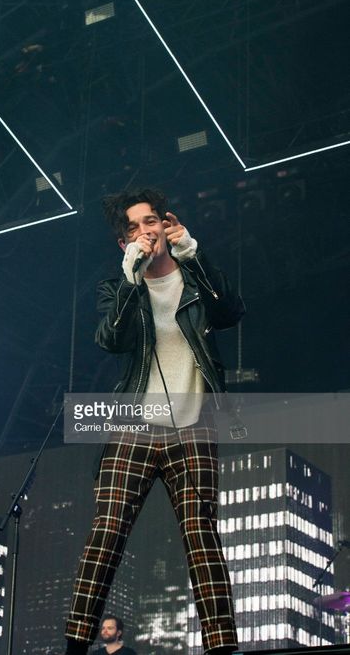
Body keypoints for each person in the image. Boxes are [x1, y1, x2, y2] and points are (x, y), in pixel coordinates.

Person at [65, 188, 245, 655]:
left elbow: (231, 311)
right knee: (106, 534)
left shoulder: (195, 277)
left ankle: (224, 647)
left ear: (167, 226)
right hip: (135, 426)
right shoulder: (117, 286)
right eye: (133, 229)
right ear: (124, 243)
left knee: (202, 537)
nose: (146, 232)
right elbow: (111, 340)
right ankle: (75, 644)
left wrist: (196, 257)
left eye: (151, 222)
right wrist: (130, 283)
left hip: (194, 425)